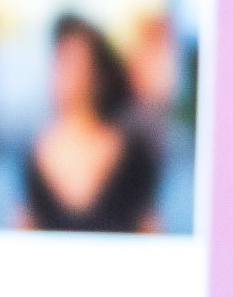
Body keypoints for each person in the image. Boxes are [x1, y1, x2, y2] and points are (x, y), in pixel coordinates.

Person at [20, 15, 161, 233]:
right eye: (61, 61)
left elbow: (149, 228)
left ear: (99, 73)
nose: (66, 74)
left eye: (76, 62)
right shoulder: (34, 152)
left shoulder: (132, 153)